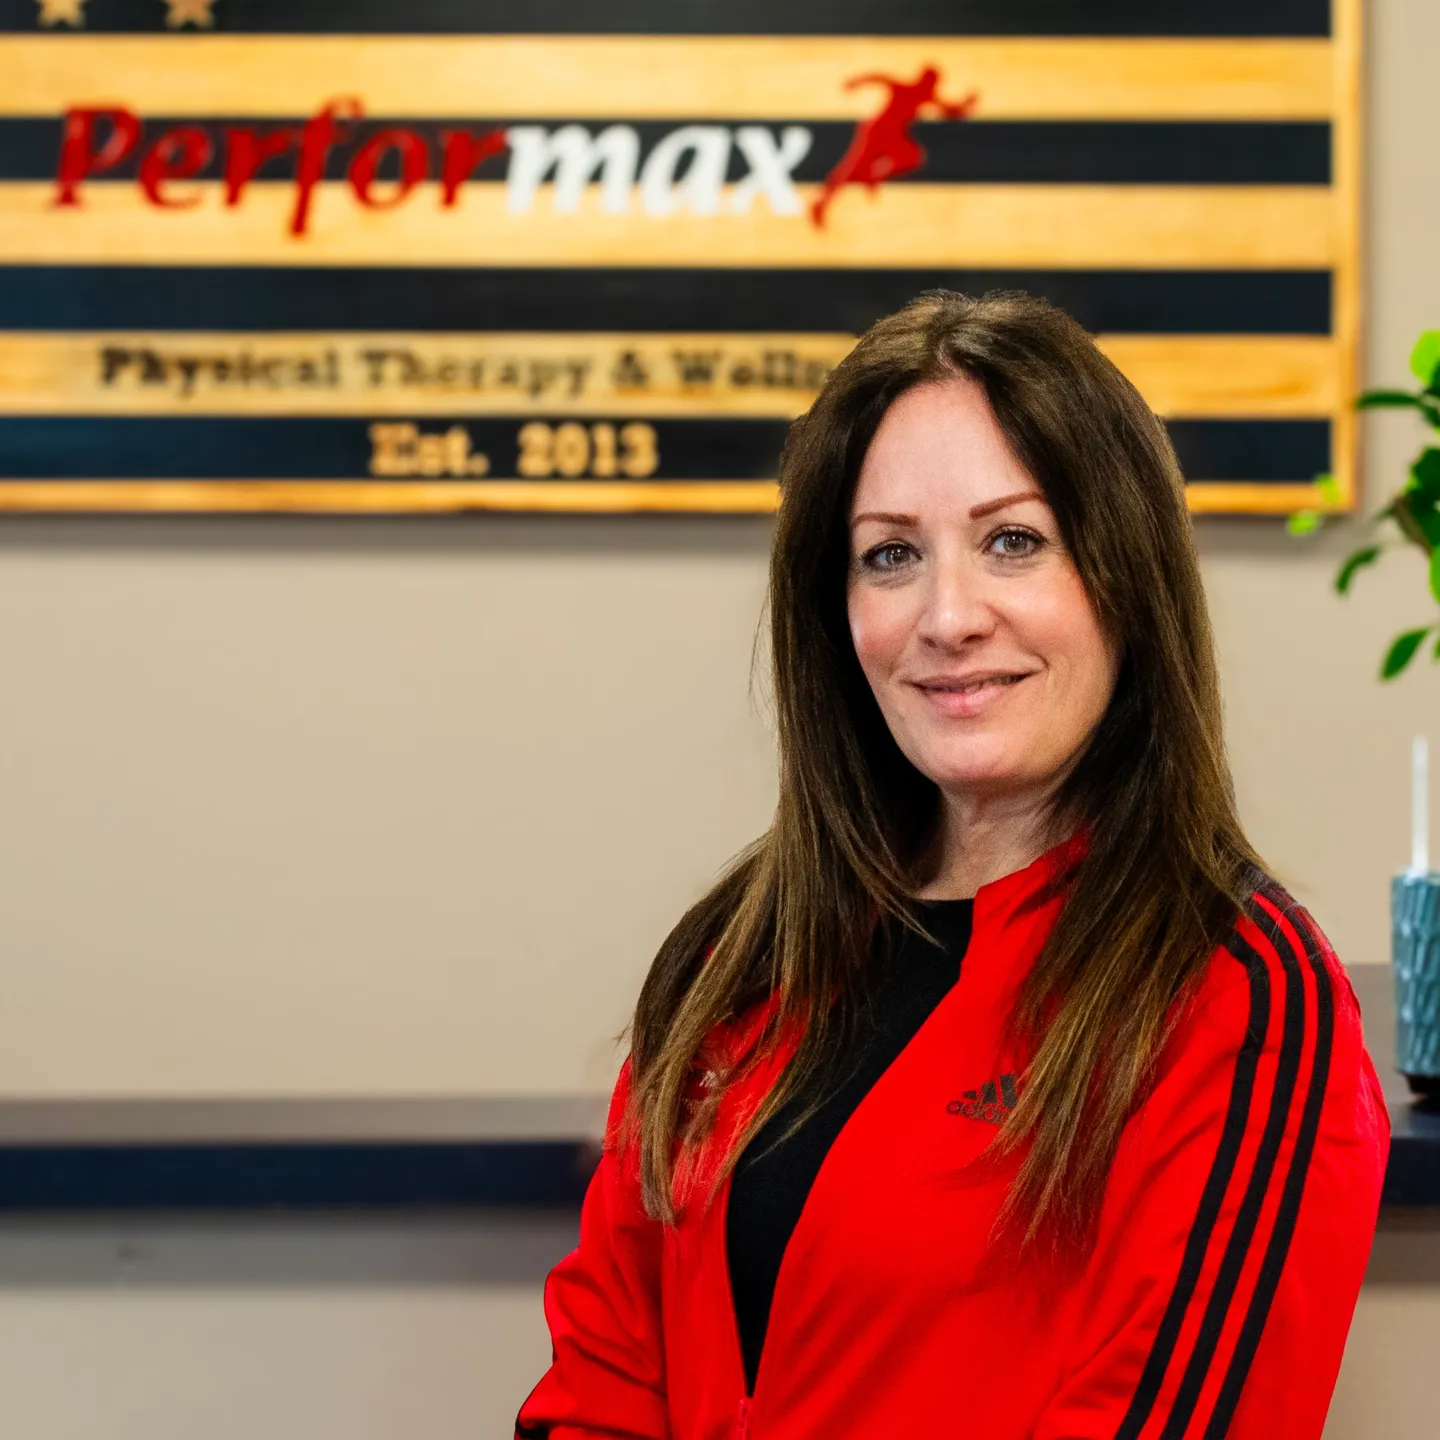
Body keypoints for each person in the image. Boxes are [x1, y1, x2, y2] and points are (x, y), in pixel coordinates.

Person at [515, 292, 1389, 1439]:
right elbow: (602, 1380)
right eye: (889, 556)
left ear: (1124, 576)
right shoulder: (738, 957)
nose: (948, 615)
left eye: (1013, 541)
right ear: (838, 614)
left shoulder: (1238, 993)